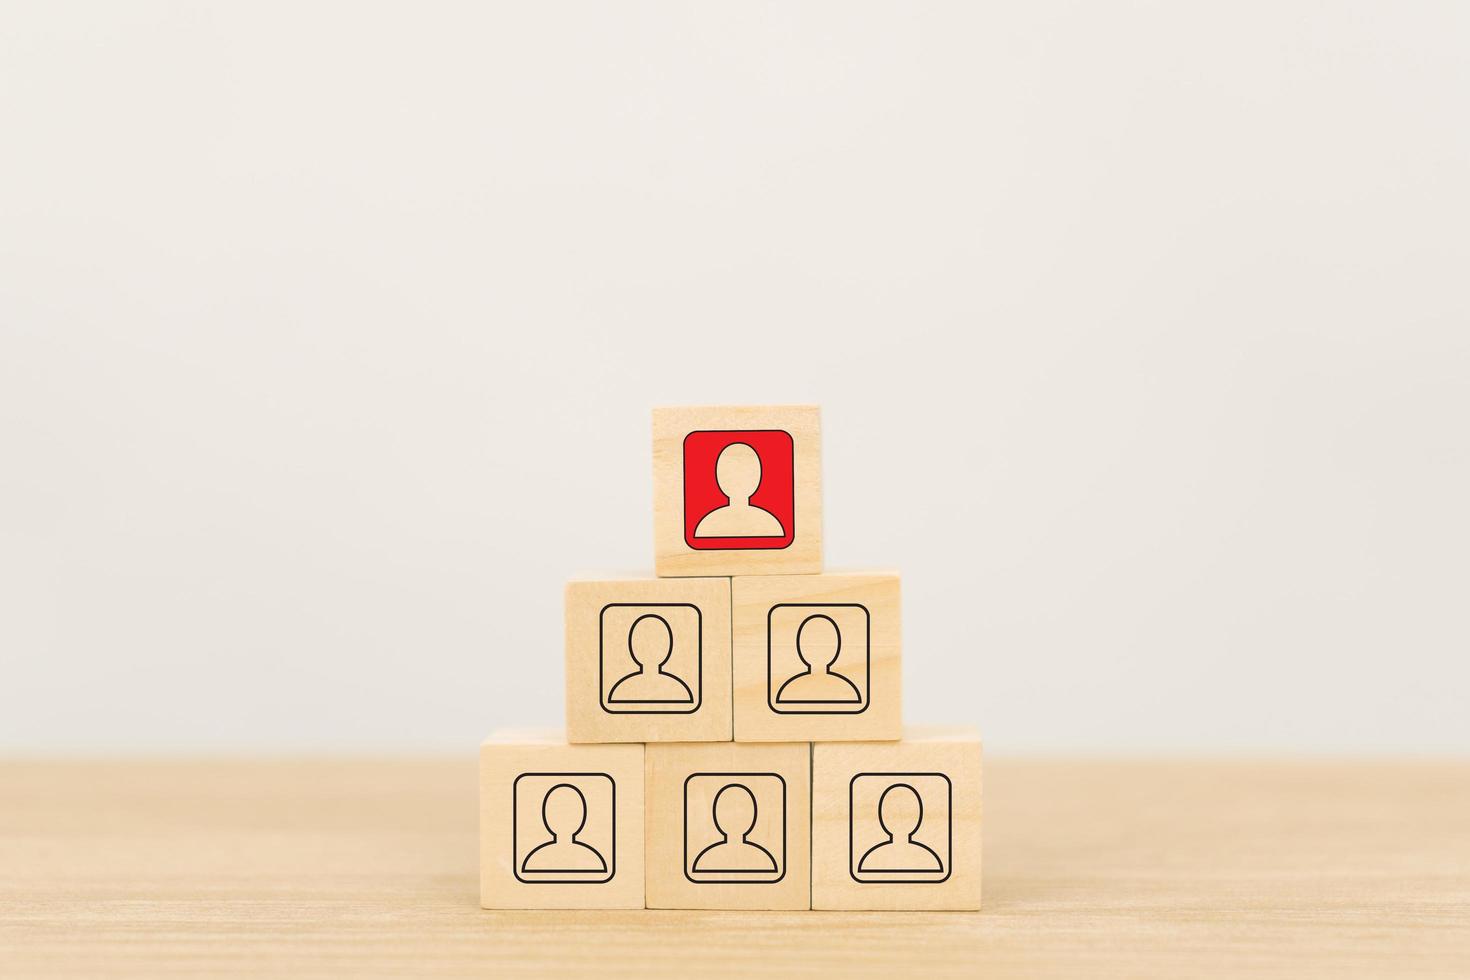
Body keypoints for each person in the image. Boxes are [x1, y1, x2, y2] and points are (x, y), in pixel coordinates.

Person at [692, 442, 784, 538]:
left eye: (747, 473)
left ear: (758, 476)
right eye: (729, 472)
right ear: (718, 476)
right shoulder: (706, 526)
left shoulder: (771, 524)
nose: (738, 479)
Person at [606, 614, 694, 704]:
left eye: (658, 642)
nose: (650, 648)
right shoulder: (622, 691)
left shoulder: (678, 691)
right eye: (642, 642)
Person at [775, 614, 861, 704]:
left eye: (826, 642)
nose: (817, 648)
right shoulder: (790, 691)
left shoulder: (790, 690)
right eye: (810, 642)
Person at [520, 783, 607, 873]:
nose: (564, 818)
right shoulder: (535, 860)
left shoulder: (592, 860)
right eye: (557, 811)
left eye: (570, 811)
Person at [857, 783, 943, 873]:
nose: (900, 815)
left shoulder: (928, 860)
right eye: (893, 812)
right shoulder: (872, 860)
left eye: (908, 811)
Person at [691, 783, 777, 873]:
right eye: (728, 807)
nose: (737, 813)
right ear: (716, 814)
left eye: (744, 807)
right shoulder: (706, 860)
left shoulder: (763, 860)